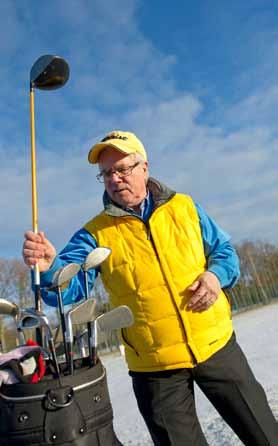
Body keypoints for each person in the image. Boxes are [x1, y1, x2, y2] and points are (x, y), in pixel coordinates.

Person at [23, 130, 278, 446]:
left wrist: (215, 276)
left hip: (217, 346)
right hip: (154, 370)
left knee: (266, 434)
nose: (115, 179)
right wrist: (50, 269)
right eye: (106, 174)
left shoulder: (185, 207)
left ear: (144, 167)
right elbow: (68, 291)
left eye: (123, 169)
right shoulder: (93, 234)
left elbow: (225, 253)